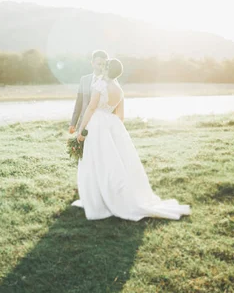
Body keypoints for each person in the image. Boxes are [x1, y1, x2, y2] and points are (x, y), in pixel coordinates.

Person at [72, 58, 191, 221]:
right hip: (112, 125)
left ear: (106, 69)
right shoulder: (119, 89)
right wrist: (110, 126)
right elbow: (120, 116)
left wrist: (82, 130)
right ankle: (111, 196)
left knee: (96, 160)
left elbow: (91, 107)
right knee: (113, 161)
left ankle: (98, 200)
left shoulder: (100, 84)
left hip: (97, 124)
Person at [69, 50, 109, 135]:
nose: (101, 67)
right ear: (92, 63)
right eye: (99, 64)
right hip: (83, 123)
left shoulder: (109, 82)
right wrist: (73, 123)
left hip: (101, 124)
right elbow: (78, 103)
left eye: (104, 64)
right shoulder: (84, 80)